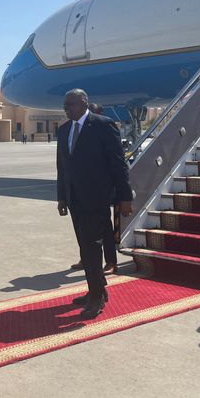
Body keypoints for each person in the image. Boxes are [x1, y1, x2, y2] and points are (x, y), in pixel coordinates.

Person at [56, 89, 132, 319]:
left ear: (83, 103)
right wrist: (61, 196)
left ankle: (97, 297)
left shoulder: (103, 125)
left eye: (70, 104)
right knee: (85, 247)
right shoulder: (64, 130)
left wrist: (124, 196)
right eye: (64, 105)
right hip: (74, 199)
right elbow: (62, 167)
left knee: (91, 248)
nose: (66, 109)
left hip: (96, 198)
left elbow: (117, 164)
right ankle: (95, 290)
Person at [70, 103, 119, 275]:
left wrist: (120, 193)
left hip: (100, 193)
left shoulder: (104, 126)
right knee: (82, 230)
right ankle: (86, 258)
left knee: (105, 230)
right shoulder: (72, 130)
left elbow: (115, 163)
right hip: (79, 193)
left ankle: (111, 261)